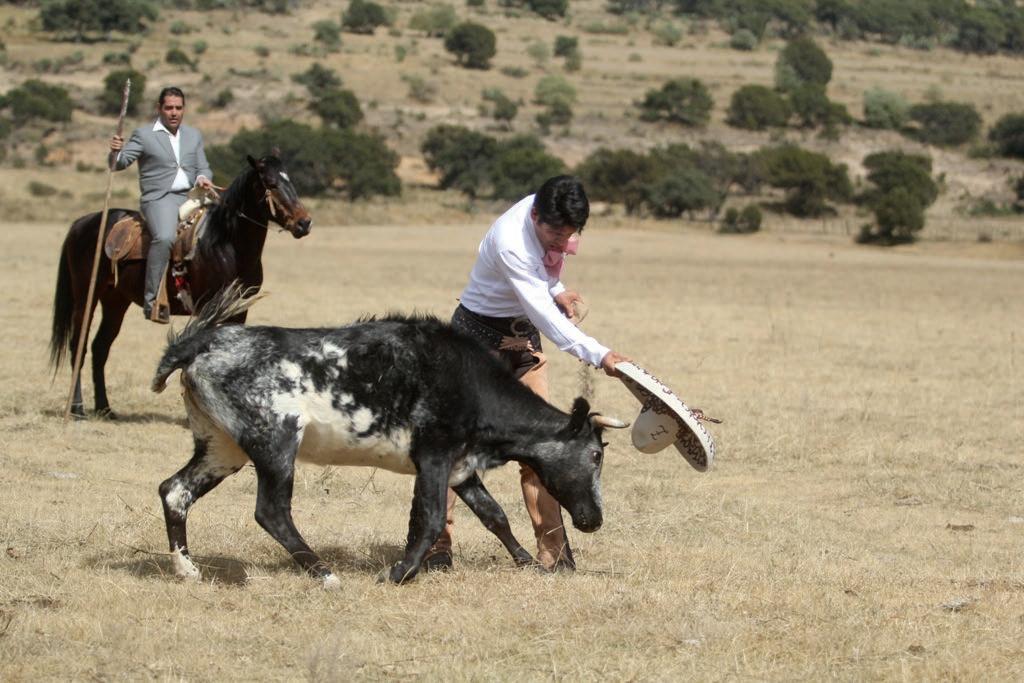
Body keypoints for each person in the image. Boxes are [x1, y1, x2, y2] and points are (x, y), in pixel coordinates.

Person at [428, 175, 629, 573]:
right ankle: (435, 545)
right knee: (454, 449)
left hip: (523, 345)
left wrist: (558, 288)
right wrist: (600, 355)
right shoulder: (511, 242)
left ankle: (554, 554)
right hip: (475, 346)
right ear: (535, 215)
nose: (563, 242)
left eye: (570, 234)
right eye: (556, 233)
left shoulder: (554, 219)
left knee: (545, 450)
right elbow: (544, 316)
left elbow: (544, 276)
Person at [109, 86, 213, 323]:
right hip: (159, 199)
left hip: (192, 197)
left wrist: (202, 177)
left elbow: (203, 167)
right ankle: (153, 300)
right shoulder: (144, 135)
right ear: (159, 108)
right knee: (165, 237)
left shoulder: (193, 135)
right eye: (169, 108)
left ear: (184, 109)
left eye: (178, 108)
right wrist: (115, 152)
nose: (174, 112)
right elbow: (119, 164)